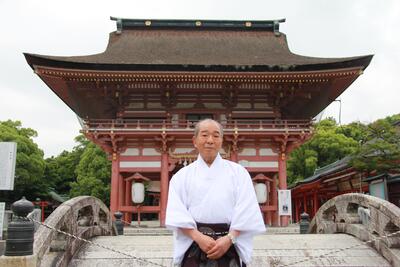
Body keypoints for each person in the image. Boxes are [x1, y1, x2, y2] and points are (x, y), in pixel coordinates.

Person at [166, 119, 266, 267]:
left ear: (222, 141)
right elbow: (177, 213)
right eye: (204, 135)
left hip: (228, 244)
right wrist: (199, 238)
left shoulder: (238, 173)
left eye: (216, 135)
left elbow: (247, 210)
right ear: (194, 140)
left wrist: (229, 239)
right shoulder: (181, 177)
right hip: (195, 244)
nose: (210, 140)